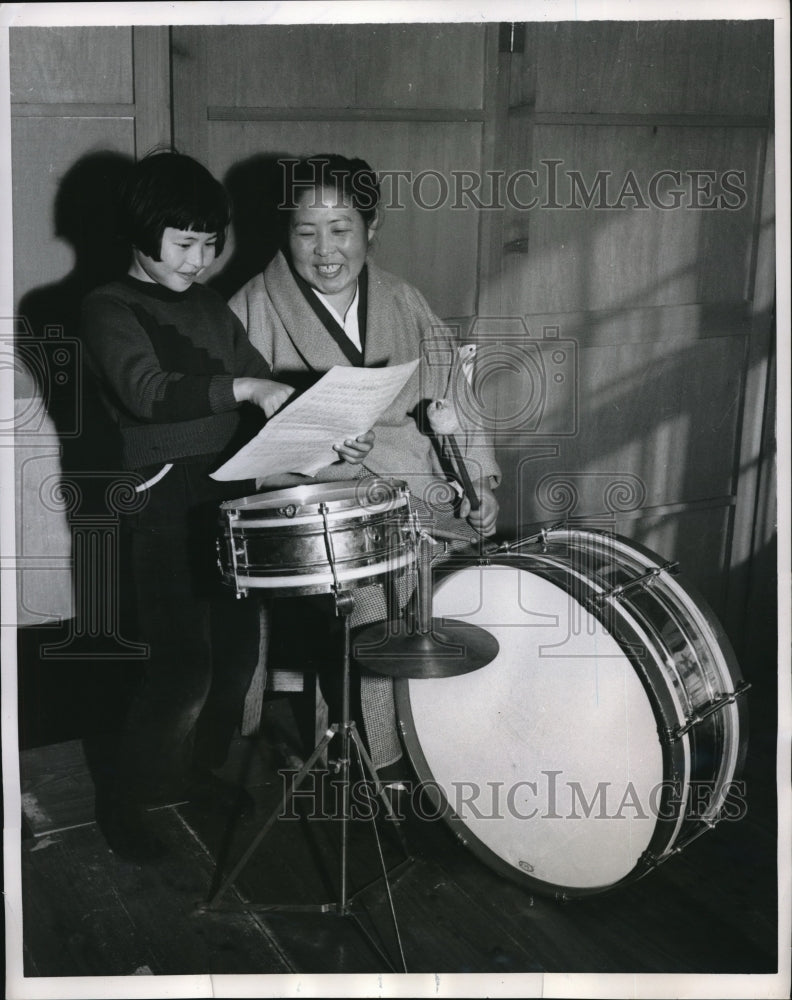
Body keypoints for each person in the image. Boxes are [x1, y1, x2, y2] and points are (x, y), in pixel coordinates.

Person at [80, 151, 372, 861]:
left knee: (236, 656)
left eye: (211, 244)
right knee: (181, 665)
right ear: (140, 234)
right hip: (162, 504)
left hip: (228, 495)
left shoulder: (209, 304)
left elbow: (263, 380)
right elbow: (148, 391)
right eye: (184, 244)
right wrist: (243, 392)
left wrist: (328, 433)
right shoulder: (107, 307)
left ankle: (192, 774)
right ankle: (130, 801)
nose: (201, 260)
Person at [229, 154, 500, 778]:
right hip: (315, 502)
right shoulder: (251, 306)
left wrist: (478, 480)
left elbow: (454, 397)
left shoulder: (402, 299)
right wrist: (314, 449)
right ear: (284, 233)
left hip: (418, 482)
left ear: (371, 227)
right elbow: (233, 434)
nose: (325, 250)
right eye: (306, 231)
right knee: (383, 595)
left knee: (474, 580)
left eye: (341, 229)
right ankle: (383, 761)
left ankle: (453, 745)